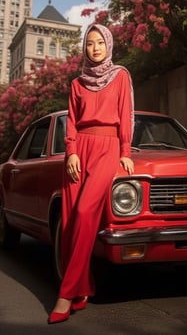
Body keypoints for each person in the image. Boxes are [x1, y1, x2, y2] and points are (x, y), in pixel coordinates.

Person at [48, 23, 134, 324]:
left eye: (99, 42)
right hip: (78, 152)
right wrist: (70, 151)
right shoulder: (76, 83)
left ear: (108, 45)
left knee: (85, 213)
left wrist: (125, 154)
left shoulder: (120, 76)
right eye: (89, 43)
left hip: (107, 149)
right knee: (71, 222)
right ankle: (84, 286)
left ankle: (66, 292)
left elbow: (126, 116)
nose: (94, 48)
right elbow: (71, 121)